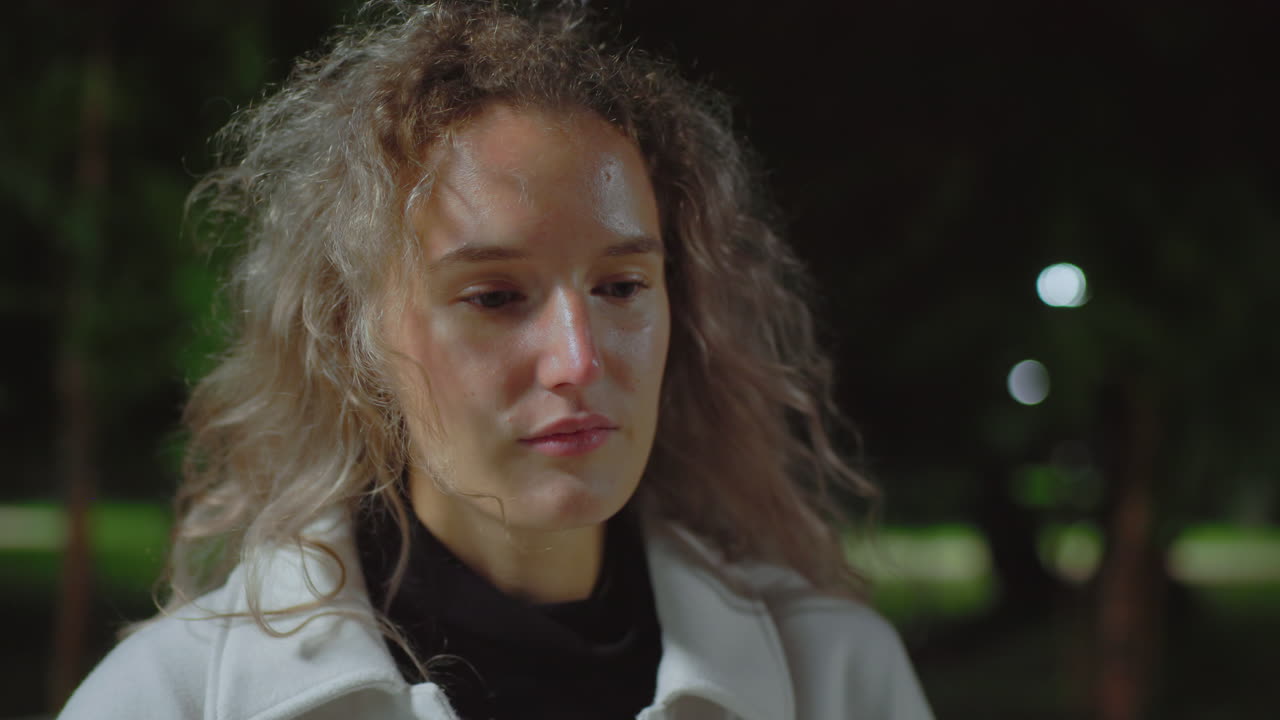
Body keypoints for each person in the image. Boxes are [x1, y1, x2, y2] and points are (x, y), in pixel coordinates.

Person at [59, 2, 933, 718]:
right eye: (495, 297)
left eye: (623, 286)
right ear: (356, 337)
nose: (577, 359)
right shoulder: (173, 699)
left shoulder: (839, 681)